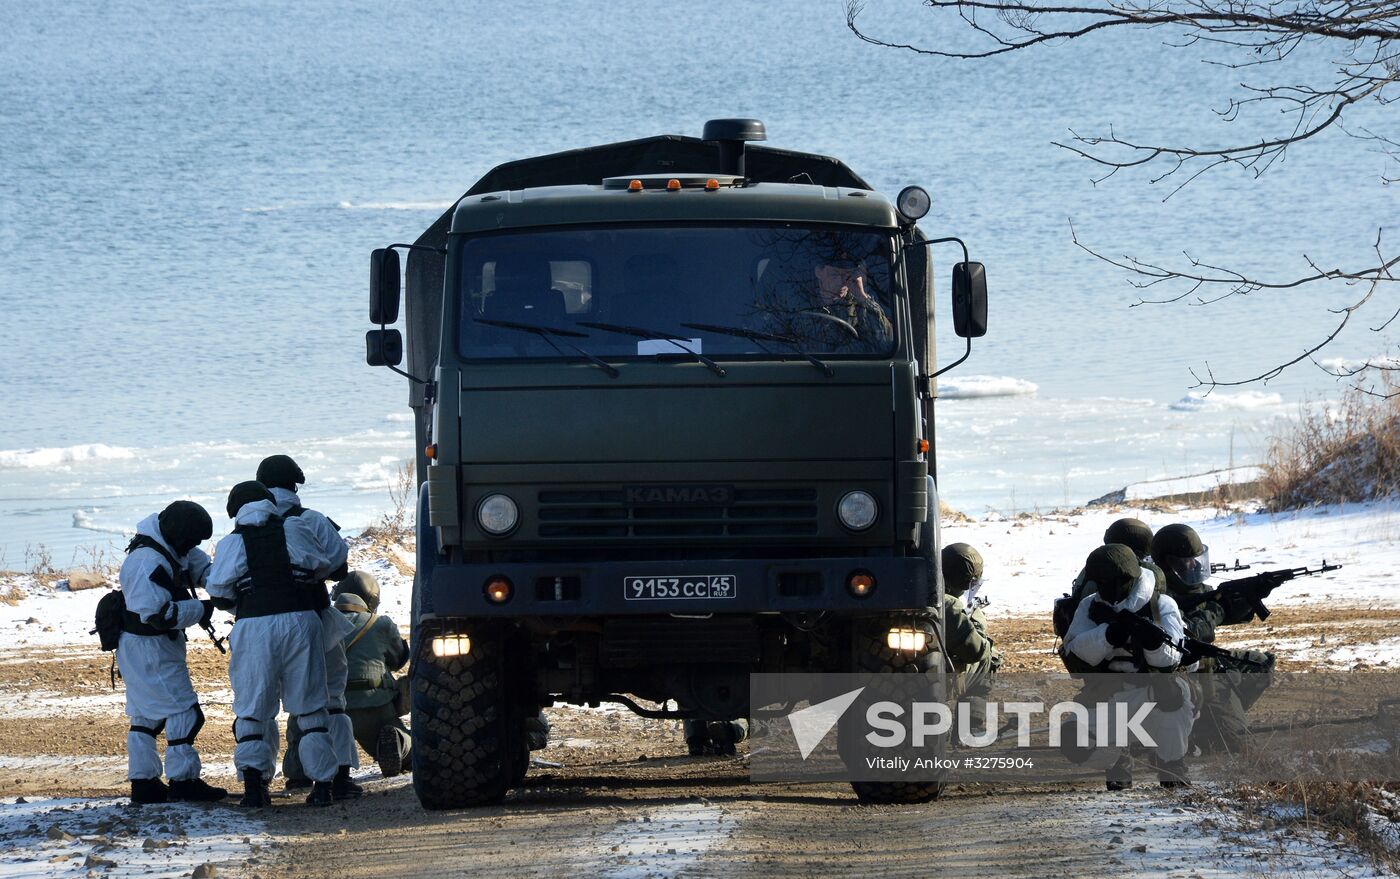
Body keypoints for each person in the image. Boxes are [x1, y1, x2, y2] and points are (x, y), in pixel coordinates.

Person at [207, 481, 341, 807]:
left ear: (234, 511)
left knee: (253, 708)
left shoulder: (232, 542)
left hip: (254, 625)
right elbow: (324, 565)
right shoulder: (295, 527)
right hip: (301, 619)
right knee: (310, 704)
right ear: (269, 504)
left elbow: (219, 591)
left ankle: (255, 789)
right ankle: (323, 787)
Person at [255, 455, 359, 799]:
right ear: (295, 484)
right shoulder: (311, 519)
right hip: (314, 618)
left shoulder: (248, 524)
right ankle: (337, 779)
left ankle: (260, 783)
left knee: (262, 705)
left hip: (260, 625)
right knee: (329, 700)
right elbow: (339, 565)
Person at [116, 501, 228, 805]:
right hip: (149, 646)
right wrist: (202, 608)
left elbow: (204, 571)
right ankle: (183, 781)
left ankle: (144, 784)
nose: (194, 546)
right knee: (186, 714)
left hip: (144, 647)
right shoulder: (146, 561)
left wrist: (226, 583)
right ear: (179, 534)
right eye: (191, 540)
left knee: (146, 718)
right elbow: (157, 615)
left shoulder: (169, 548)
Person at [1062, 544, 1194, 789]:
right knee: (1072, 741)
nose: (1106, 587)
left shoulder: (1161, 605)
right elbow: (1074, 654)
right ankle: (1118, 758)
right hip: (1106, 693)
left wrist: (1153, 644)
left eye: (1112, 581)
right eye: (1100, 582)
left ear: (1130, 578)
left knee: (1172, 693)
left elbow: (1172, 660)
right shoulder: (1091, 606)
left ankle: (1172, 763)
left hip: (1151, 691)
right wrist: (1109, 635)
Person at [1151, 524, 1276, 753]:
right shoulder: (1157, 597)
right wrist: (1213, 611)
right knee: (1241, 748)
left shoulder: (1192, 587)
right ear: (1169, 563)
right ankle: (1208, 726)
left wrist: (1251, 596)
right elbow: (1190, 632)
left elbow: (1225, 610)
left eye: (1196, 559)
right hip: (1184, 674)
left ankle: (1204, 725)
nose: (1194, 565)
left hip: (1205, 665)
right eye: (1186, 561)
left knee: (1261, 665)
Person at [332, 572, 412, 777]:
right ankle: (397, 740)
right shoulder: (380, 624)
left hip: (329, 707)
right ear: (371, 599)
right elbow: (399, 659)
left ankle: (298, 775)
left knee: (305, 733)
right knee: (408, 750)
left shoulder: (318, 623)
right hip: (372, 704)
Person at [941, 543, 1002, 710]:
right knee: (990, 660)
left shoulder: (906, 590)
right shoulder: (947, 604)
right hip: (924, 684)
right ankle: (969, 730)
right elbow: (975, 652)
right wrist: (976, 622)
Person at [810, 259, 893, 348]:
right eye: (837, 275)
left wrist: (862, 297)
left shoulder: (857, 309)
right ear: (819, 273)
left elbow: (886, 343)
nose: (844, 283)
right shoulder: (809, 309)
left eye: (848, 277)